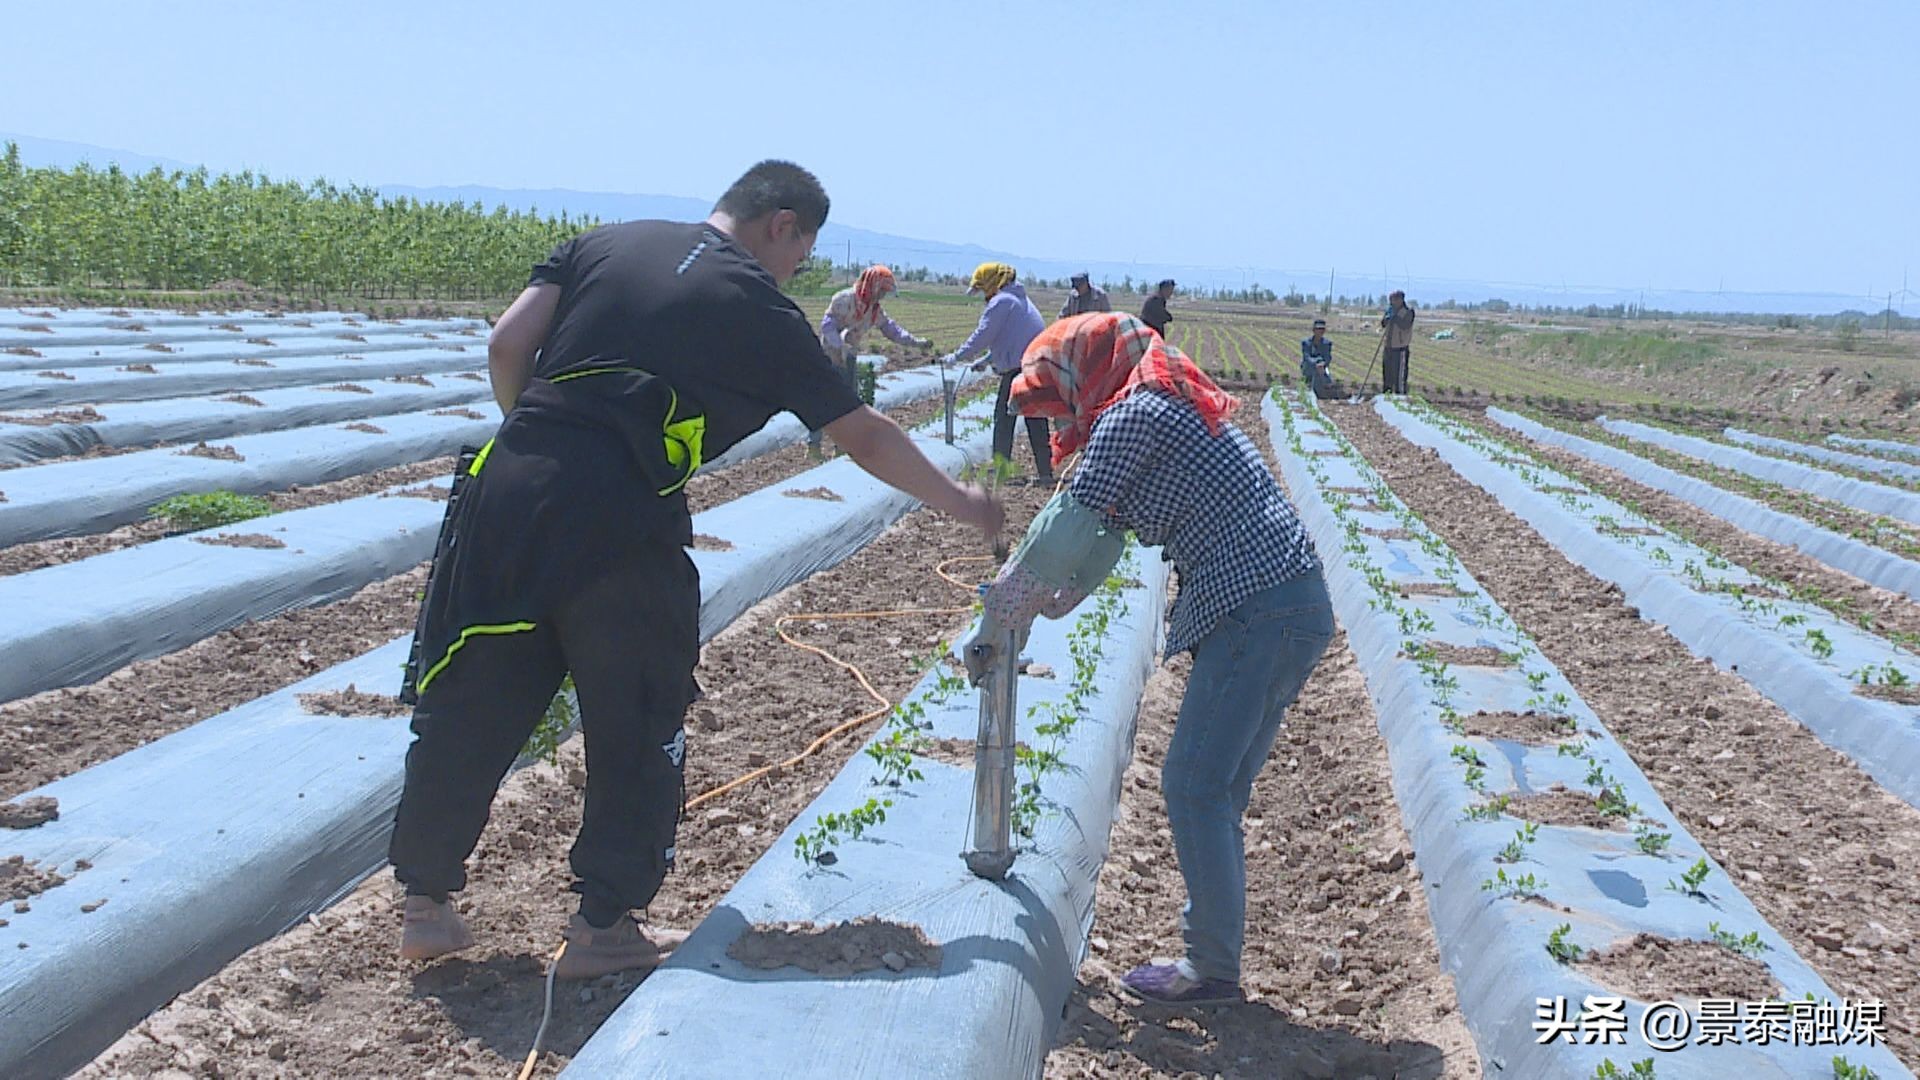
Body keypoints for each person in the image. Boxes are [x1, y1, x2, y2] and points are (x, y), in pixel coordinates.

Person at [389, 161, 1004, 979]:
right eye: (801, 252)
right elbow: (864, 435)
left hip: (507, 491)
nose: (795, 271)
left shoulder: (605, 242)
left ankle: (424, 906)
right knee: (636, 713)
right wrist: (959, 500)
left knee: (472, 690)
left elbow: (507, 342)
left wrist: (539, 441)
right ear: (781, 223)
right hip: (622, 518)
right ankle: (602, 925)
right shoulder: (758, 308)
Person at [965, 312, 1331, 1005]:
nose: (1063, 413)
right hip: (1290, 606)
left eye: (1061, 395)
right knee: (1216, 790)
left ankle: (1212, 969)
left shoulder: (1139, 413)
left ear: (1088, 368)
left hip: (1257, 608)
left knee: (1195, 785)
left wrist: (1000, 615)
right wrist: (1044, 605)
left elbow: (1068, 523)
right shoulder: (1162, 403)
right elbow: (1102, 538)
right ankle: (1214, 958)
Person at [943, 261, 1052, 484]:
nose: (983, 295)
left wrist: (956, 356)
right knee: (1036, 418)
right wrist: (986, 360)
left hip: (1019, 369)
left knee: (1004, 418)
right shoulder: (1020, 300)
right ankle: (1045, 472)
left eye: (983, 289)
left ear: (992, 283)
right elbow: (1012, 337)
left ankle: (1003, 471)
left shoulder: (1001, 302)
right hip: (1036, 365)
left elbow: (983, 335)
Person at [807, 265, 931, 453]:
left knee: (847, 404)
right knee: (823, 399)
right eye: (881, 290)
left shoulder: (873, 311)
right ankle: (814, 446)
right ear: (872, 285)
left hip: (848, 357)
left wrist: (916, 343)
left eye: (884, 292)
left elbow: (892, 330)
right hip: (828, 356)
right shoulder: (844, 299)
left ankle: (840, 447)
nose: (882, 295)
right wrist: (839, 347)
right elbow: (827, 326)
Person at [1380, 290, 1415, 395]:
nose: (1391, 302)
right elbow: (1383, 324)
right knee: (1387, 375)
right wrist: (1387, 318)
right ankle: (1387, 396)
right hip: (1388, 348)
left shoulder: (1408, 312)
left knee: (1399, 377)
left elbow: (1405, 325)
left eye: (1393, 300)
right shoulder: (1390, 310)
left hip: (1400, 349)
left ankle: (1400, 398)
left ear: (1400, 300)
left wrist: (1395, 317)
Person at [1299, 317, 1335, 398]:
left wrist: (1323, 363)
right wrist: (1316, 363)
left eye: (1322, 329)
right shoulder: (1306, 343)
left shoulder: (1327, 343)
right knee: (1314, 372)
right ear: (1314, 330)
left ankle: (1324, 390)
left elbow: (1328, 357)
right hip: (1309, 366)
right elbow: (1306, 357)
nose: (1320, 331)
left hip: (1322, 367)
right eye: (1318, 329)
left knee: (1324, 376)